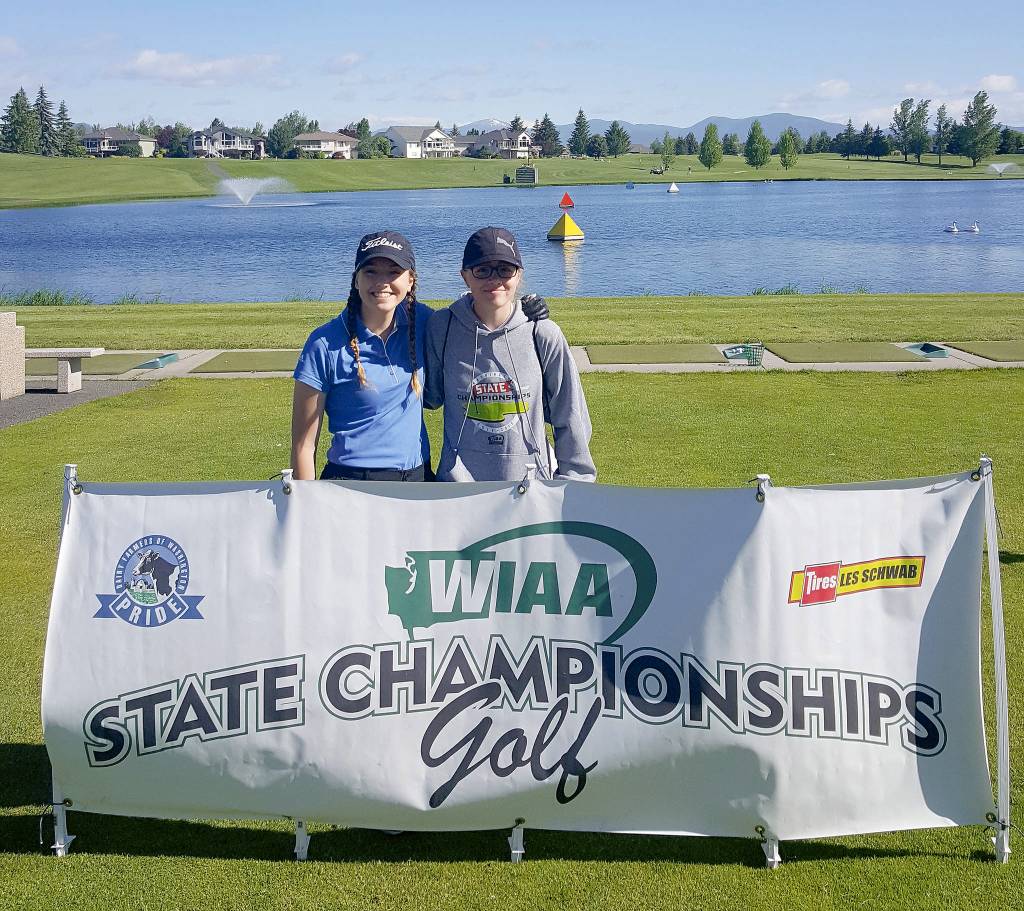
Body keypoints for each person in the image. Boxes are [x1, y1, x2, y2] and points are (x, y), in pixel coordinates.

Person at [425, 226, 596, 483]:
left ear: (519, 275)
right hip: (458, 491)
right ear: (465, 276)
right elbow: (429, 397)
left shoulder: (543, 333)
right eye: (482, 270)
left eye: (505, 270)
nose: (494, 280)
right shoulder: (443, 327)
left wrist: (575, 483)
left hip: (530, 488)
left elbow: (570, 413)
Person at [291, 230, 432, 481]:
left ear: (410, 280)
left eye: (393, 272)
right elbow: (304, 446)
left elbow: (475, 317)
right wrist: (306, 507)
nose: (382, 282)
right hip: (351, 484)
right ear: (356, 280)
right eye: (371, 272)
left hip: (417, 479)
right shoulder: (324, 343)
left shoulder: (425, 322)